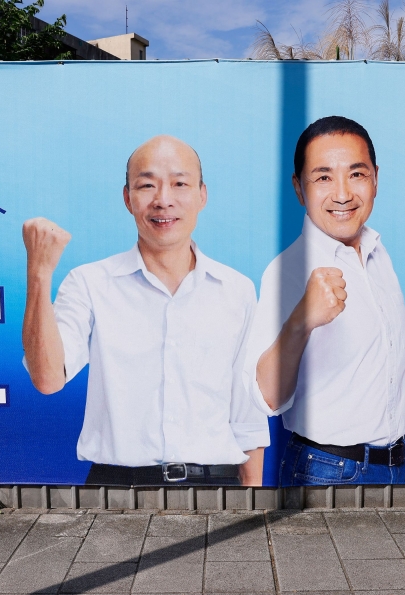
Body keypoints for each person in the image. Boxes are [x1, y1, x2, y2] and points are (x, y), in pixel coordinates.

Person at [21, 135, 269, 486]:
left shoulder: (236, 290)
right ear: (128, 198)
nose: (163, 200)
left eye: (179, 184)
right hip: (115, 490)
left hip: (217, 488)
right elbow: (47, 378)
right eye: (147, 185)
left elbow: (248, 419)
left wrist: (251, 507)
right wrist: (39, 273)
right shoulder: (90, 283)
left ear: (202, 195)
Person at [245, 116, 405, 486]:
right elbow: (266, 399)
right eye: (323, 177)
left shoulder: (378, 255)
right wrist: (301, 320)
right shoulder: (288, 270)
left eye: (356, 174)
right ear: (299, 188)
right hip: (327, 471)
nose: (342, 193)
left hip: (397, 465)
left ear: (375, 179)